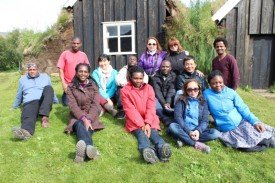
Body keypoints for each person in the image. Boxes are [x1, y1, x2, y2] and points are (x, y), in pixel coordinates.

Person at [203, 70, 275, 151]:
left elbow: (243, 108)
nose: (218, 85)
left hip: (241, 122)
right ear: (209, 84)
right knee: (250, 142)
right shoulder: (206, 94)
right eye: (214, 83)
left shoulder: (231, 92)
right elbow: (204, 111)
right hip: (228, 129)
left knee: (262, 132)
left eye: (220, 82)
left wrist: (255, 122)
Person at [120, 66, 172, 164]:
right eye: (135, 78)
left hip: (150, 118)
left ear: (143, 77)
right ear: (130, 77)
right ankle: (147, 151)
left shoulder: (149, 88)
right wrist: (142, 125)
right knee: (141, 134)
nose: (138, 81)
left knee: (154, 133)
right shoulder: (125, 90)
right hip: (134, 121)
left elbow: (151, 107)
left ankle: (162, 149)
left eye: (140, 78)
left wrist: (148, 123)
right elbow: (130, 110)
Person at [65, 63, 104, 163]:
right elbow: (73, 106)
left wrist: (89, 119)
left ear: (88, 73)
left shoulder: (94, 86)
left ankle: (82, 154)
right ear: (76, 73)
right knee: (79, 124)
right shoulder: (70, 87)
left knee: (88, 127)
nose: (83, 74)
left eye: (85, 72)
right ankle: (90, 148)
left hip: (91, 114)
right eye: (80, 71)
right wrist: (83, 119)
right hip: (76, 115)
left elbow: (96, 105)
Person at [168, 79, 220, 153]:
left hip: (197, 130)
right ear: (186, 90)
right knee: (172, 126)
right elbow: (178, 118)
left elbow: (205, 120)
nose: (193, 92)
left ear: (199, 89)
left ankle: (183, 139)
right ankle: (195, 144)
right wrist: (189, 132)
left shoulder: (203, 101)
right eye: (189, 90)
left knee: (215, 133)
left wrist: (198, 131)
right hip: (183, 129)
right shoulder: (180, 100)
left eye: (195, 89)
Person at [12, 63, 58, 140]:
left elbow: (51, 91)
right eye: (30, 70)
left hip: (43, 102)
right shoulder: (22, 80)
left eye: (34, 69)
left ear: (37, 70)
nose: (32, 71)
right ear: (28, 70)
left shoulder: (45, 77)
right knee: (28, 113)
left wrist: (55, 101)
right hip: (30, 102)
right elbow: (19, 94)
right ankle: (26, 132)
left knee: (49, 88)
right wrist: (15, 106)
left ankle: (44, 118)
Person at [57, 37, 89, 106]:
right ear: (71, 43)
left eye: (78, 43)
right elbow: (60, 69)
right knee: (67, 104)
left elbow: (87, 69)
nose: (76, 45)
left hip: (81, 85)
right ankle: (66, 95)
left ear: (80, 44)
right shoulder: (65, 54)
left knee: (83, 102)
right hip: (69, 85)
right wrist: (64, 84)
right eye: (74, 43)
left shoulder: (83, 55)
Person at [152, 60, 176, 126]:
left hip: (170, 99)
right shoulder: (155, 77)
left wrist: (168, 102)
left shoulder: (174, 76)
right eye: (163, 66)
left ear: (170, 68)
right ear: (160, 67)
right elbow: (157, 91)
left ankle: (174, 114)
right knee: (153, 100)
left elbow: (172, 90)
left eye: (167, 67)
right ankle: (165, 118)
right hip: (160, 99)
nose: (165, 68)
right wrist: (164, 103)